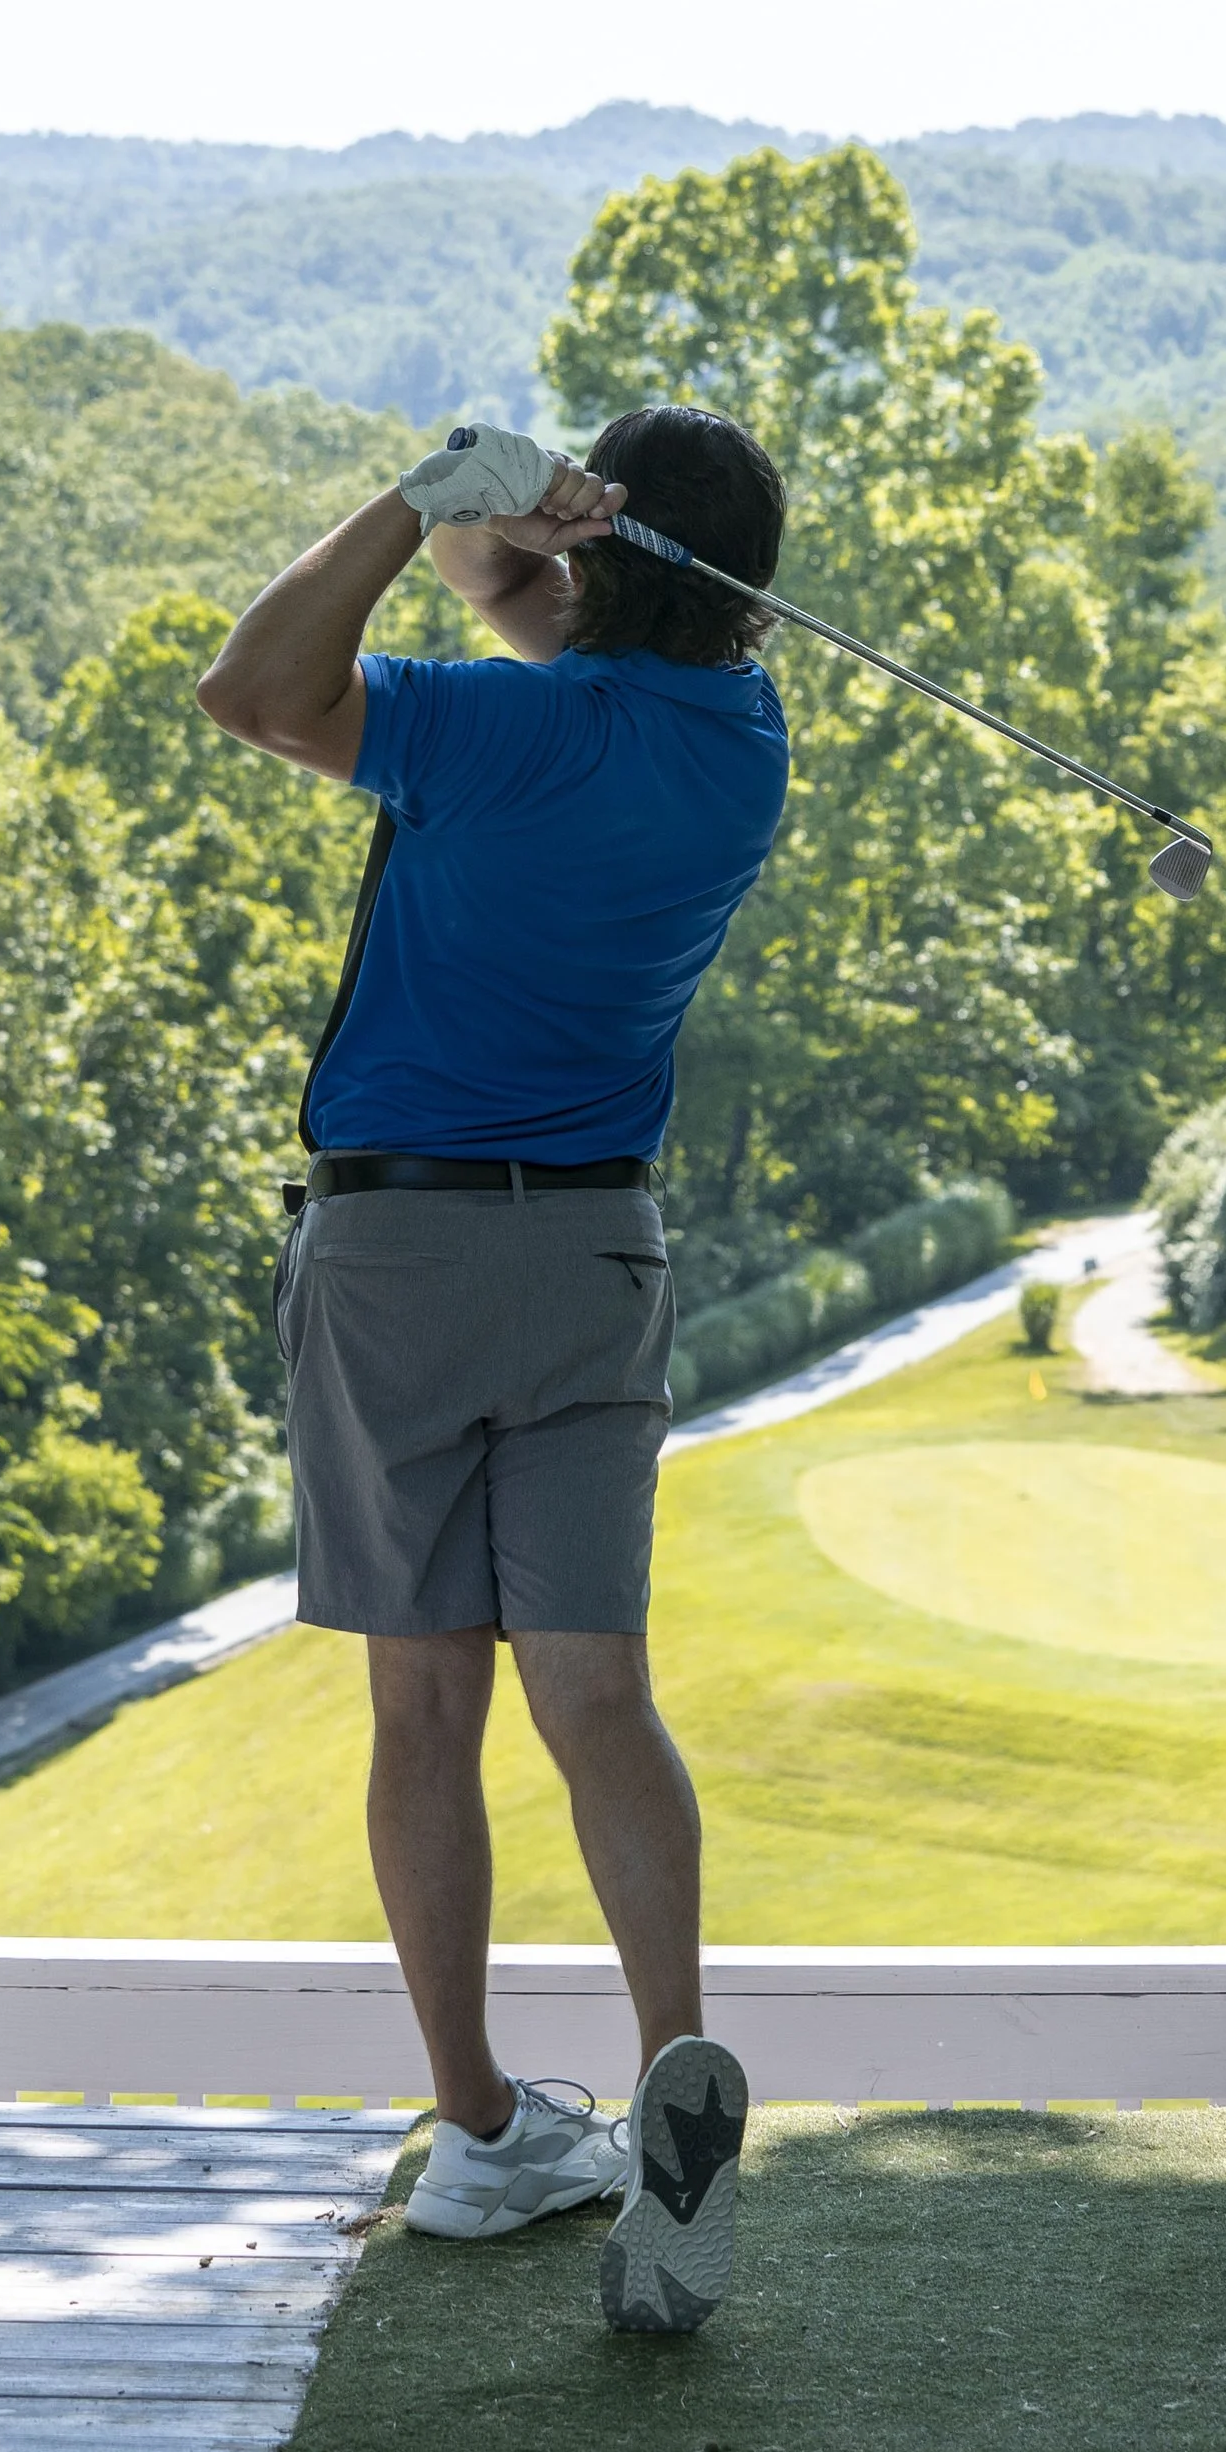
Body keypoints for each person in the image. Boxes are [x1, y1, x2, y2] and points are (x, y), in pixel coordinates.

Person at [195, 401, 790, 2331]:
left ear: (607, 554)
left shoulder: (493, 735)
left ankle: (476, 2131)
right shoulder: (736, 747)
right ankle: (669, 2072)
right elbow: (532, 611)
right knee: (599, 1694)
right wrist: (530, 534)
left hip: (396, 1254)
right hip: (594, 1249)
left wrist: (413, 493)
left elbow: (256, 687)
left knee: (424, 1711)